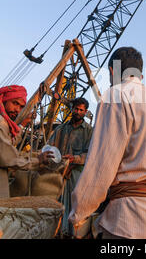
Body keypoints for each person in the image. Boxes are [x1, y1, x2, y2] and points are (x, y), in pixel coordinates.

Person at [69, 47, 146, 239]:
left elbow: (101, 165)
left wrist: (79, 212)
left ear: (113, 71)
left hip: (128, 220)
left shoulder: (115, 95)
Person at [47, 97, 93, 237]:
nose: (77, 112)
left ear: (85, 112)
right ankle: (56, 233)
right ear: (72, 109)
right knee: (56, 204)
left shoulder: (89, 131)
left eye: (81, 110)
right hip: (59, 174)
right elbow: (50, 146)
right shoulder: (61, 129)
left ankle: (73, 234)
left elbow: (90, 153)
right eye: (76, 109)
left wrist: (75, 159)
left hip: (77, 174)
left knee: (76, 205)